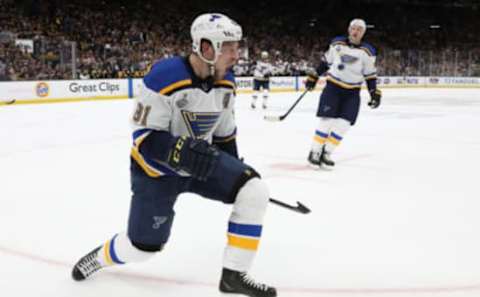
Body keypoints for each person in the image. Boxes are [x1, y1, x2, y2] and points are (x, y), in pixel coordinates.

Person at [71, 13, 277, 297]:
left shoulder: (226, 83)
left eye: (236, 46)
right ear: (207, 48)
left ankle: (234, 275)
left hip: (201, 164)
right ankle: (99, 258)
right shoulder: (164, 77)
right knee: (141, 249)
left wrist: (233, 165)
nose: (236, 54)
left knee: (254, 189)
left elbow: (224, 134)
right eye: (229, 47)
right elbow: (144, 139)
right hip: (157, 173)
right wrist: (179, 150)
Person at [305, 18, 381, 168]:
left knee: (344, 124)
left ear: (363, 33)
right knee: (327, 120)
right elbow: (326, 62)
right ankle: (315, 151)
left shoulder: (368, 51)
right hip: (333, 88)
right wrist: (314, 76)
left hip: (352, 93)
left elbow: (370, 74)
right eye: (354, 28)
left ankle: (326, 152)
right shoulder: (337, 43)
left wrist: (374, 92)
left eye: (360, 29)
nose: (356, 31)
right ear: (349, 29)